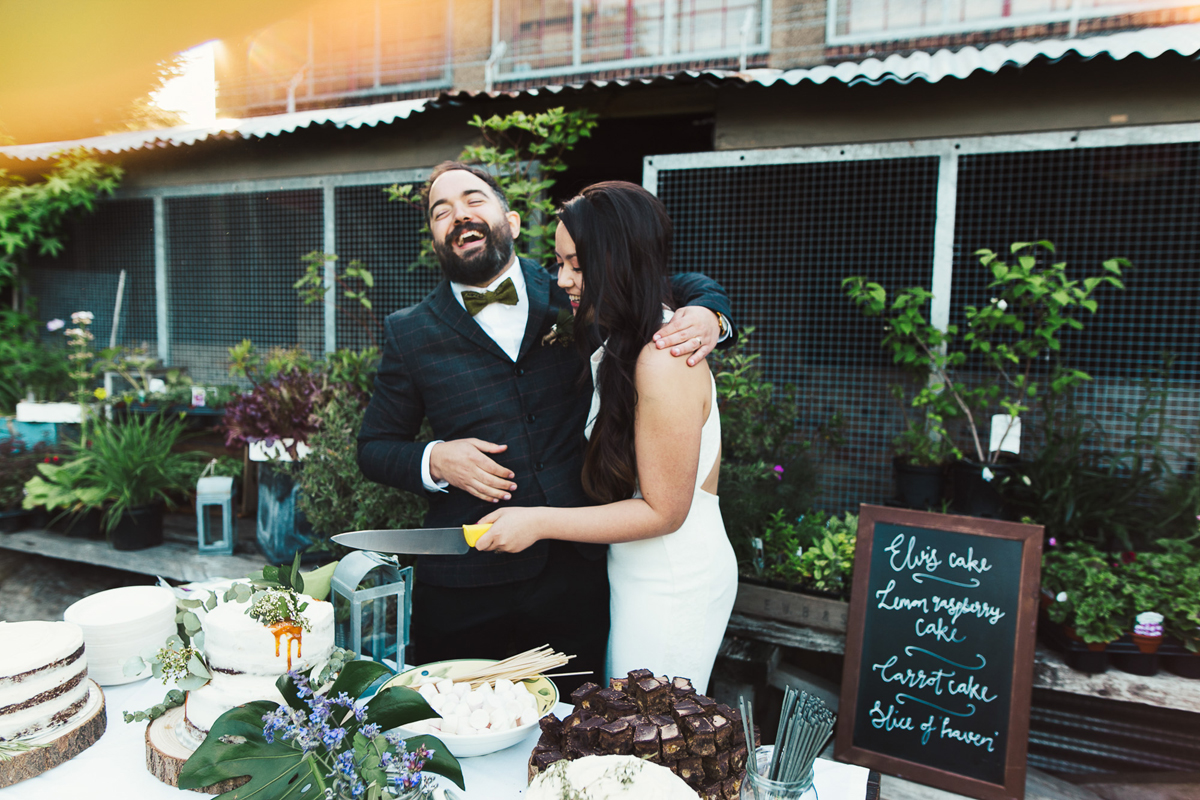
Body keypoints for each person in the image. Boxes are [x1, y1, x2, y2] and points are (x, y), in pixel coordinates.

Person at [357, 162, 735, 694]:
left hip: (576, 578)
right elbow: (372, 448)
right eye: (441, 212)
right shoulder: (407, 332)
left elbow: (665, 279)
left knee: (581, 732)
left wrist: (710, 314)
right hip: (468, 588)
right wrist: (435, 459)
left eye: (473, 199)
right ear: (434, 239)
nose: (459, 215)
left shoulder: (579, 284)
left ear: (509, 219)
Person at [473, 181, 738, 694]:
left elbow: (664, 511)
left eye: (576, 264)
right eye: (558, 262)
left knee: (652, 743)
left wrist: (538, 522)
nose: (563, 279)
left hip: (673, 578)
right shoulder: (621, 338)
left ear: (618, 261)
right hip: (637, 571)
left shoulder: (663, 359)